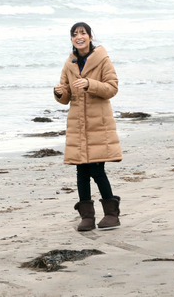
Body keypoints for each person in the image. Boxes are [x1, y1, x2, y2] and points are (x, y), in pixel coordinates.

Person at [53, 22, 122, 231]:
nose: (79, 37)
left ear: (90, 37)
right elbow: (66, 95)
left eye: (82, 33)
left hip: (98, 122)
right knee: (81, 170)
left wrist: (89, 84)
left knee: (97, 169)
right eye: (75, 34)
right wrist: (59, 92)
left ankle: (111, 214)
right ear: (72, 39)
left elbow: (112, 88)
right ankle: (87, 217)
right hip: (77, 123)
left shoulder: (102, 60)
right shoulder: (69, 63)